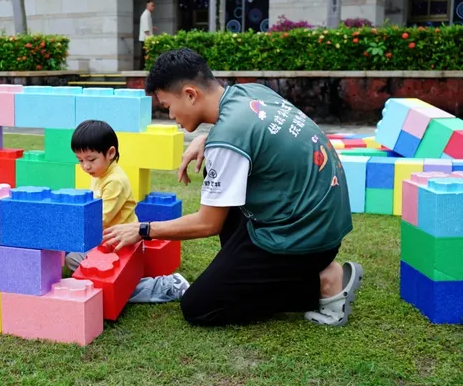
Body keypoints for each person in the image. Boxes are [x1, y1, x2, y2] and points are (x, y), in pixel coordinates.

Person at [104, 48, 362, 327]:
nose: (170, 116)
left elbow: (207, 224)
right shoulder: (250, 93)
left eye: (168, 106)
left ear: (191, 94)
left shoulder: (228, 138)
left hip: (305, 238)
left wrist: (143, 230)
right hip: (321, 219)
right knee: (227, 208)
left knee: (199, 306)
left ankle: (325, 282)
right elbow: (254, 131)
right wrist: (207, 138)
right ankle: (258, 274)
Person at [66, 119, 189, 303]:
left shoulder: (114, 180)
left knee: (111, 282)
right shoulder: (100, 174)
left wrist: (71, 227)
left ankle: (167, 285)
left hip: (123, 243)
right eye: (80, 160)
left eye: (91, 159)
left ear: (110, 153)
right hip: (109, 240)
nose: (86, 166)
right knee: (74, 259)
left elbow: (100, 218)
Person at [138, 0, 155, 69]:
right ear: (147, 6)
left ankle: (144, 67)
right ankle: (142, 68)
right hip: (146, 38)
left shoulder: (148, 14)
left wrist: (152, 28)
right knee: (145, 54)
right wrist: (150, 38)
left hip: (147, 38)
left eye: (153, 6)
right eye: (152, 6)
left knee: (145, 54)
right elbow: (146, 29)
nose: (153, 7)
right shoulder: (145, 14)